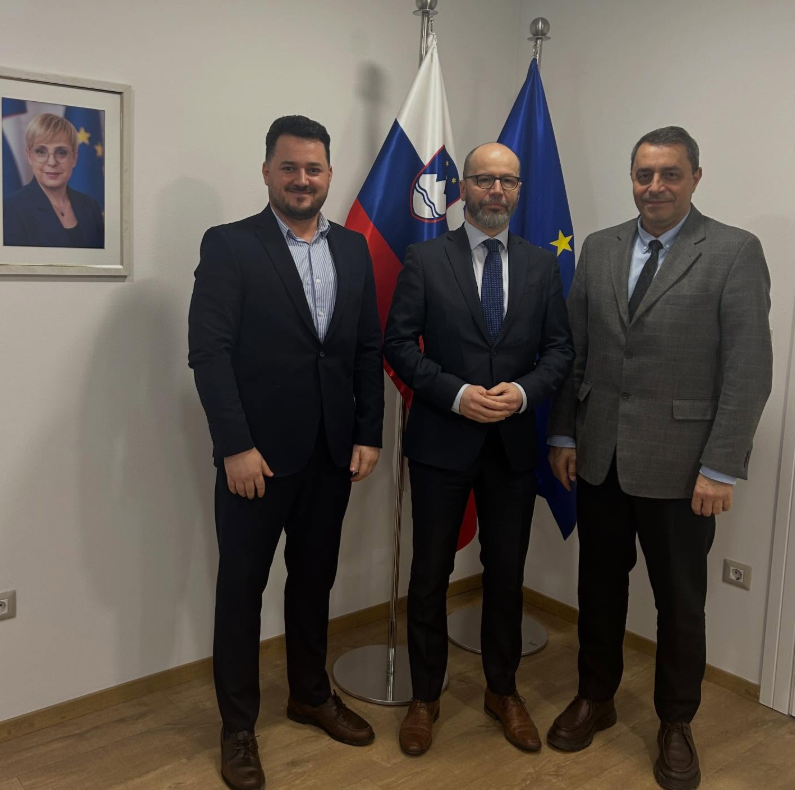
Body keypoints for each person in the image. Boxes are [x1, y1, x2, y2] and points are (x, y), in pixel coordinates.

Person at [546, 126, 773, 790]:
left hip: (683, 468)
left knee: (679, 603)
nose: (655, 187)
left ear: (695, 177)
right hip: (600, 459)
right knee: (598, 588)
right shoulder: (599, 247)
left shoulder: (733, 251)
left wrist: (720, 466)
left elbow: (747, 369)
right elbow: (577, 351)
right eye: (644, 174)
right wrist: (564, 435)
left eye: (670, 174)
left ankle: (676, 721)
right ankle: (596, 696)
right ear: (632, 179)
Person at [188, 115, 384, 790]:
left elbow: (365, 349)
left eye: (314, 168)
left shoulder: (352, 249)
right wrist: (235, 446)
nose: (303, 179)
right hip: (257, 462)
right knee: (242, 591)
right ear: (268, 171)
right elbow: (209, 354)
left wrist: (368, 432)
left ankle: (309, 695)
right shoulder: (230, 245)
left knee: (313, 581)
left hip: (331, 453)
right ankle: (238, 727)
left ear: (329, 174)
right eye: (290, 167)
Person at [384, 142, 574, 756]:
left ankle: (502, 690)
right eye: (484, 179)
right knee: (429, 575)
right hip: (442, 441)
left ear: (519, 190)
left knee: (508, 575)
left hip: (512, 447)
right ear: (462, 187)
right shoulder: (424, 258)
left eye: (508, 181)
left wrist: (523, 393)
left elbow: (560, 350)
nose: (496, 190)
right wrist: (457, 394)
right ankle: (424, 696)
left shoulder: (541, 265)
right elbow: (398, 345)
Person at [3, 113, 104, 248]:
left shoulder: (91, 206)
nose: (51, 162)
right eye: (41, 152)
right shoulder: (11, 210)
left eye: (61, 152)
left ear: (74, 158)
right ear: (29, 156)